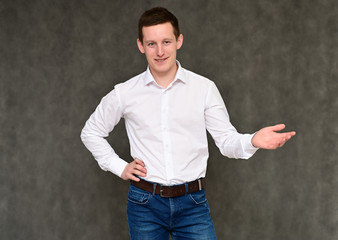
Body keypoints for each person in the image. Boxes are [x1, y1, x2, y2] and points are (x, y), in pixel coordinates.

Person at [81, 6, 296, 240]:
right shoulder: (125, 92)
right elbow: (91, 132)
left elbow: (226, 141)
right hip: (145, 205)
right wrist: (119, 167)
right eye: (151, 43)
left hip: (192, 204)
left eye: (166, 41)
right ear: (141, 45)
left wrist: (253, 140)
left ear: (179, 41)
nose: (160, 51)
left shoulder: (204, 88)